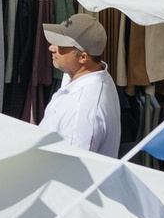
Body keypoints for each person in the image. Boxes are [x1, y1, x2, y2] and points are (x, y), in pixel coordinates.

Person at [39, 12, 121, 154]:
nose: (52, 48)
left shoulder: (82, 112)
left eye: (62, 47)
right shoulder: (87, 73)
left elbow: (73, 168)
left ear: (83, 57)